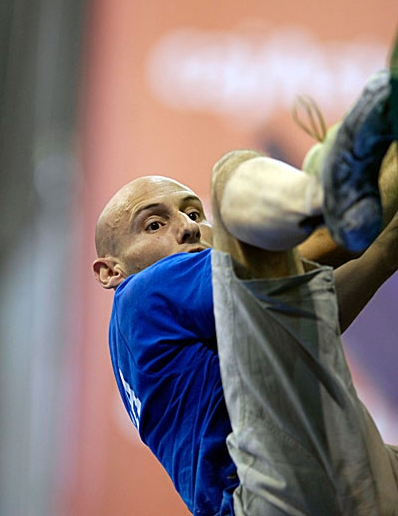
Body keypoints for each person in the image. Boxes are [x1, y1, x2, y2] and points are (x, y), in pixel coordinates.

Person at [93, 71, 398, 514]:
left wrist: (387, 249)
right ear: (109, 271)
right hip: (269, 488)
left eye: (193, 212)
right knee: (231, 174)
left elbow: (307, 317)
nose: (189, 226)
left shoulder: (179, 326)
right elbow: (321, 248)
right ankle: (319, 189)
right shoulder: (146, 292)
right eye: (154, 224)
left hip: (329, 480)